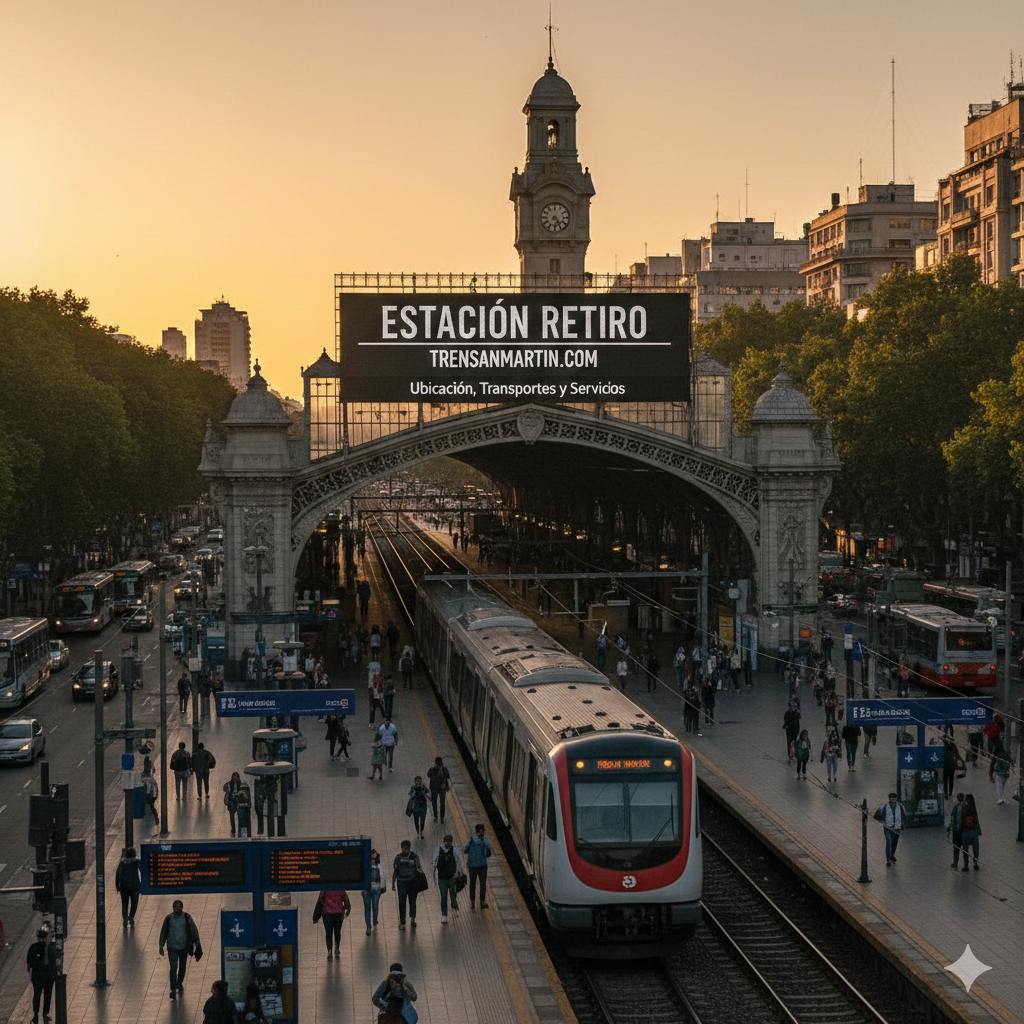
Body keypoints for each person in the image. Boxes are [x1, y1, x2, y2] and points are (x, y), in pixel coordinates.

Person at [158, 899, 201, 1001]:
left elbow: (193, 930)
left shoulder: (187, 917)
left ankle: (179, 983)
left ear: (182, 907)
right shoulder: (168, 919)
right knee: (173, 967)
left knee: (182, 967)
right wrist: (161, 945)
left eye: (179, 907)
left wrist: (197, 942)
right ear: (173, 908)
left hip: (184, 947)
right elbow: (163, 932)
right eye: (176, 907)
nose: (178, 909)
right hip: (172, 947)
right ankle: (173, 988)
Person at [27, 927, 56, 1024]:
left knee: (37, 994)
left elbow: (29, 961)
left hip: (37, 975)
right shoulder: (50, 947)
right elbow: (53, 962)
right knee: (47, 994)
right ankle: (45, 1013)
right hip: (48, 975)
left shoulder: (33, 947)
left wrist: (32, 972)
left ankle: (36, 1014)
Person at [432, 833, 464, 923]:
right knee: (443, 896)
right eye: (446, 842)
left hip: (451, 877)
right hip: (442, 878)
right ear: (444, 841)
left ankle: (453, 903)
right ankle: (444, 914)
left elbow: (460, 861)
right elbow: (434, 862)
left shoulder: (455, 850)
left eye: (449, 842)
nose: (447, 843)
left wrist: (460, 872)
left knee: (452, 893)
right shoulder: (438, 850)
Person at [391, 840, 423, 930]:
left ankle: (413, 918)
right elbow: (395, 871)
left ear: (409, 848)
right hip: (401, 882)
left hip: (412, 882)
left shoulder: (414, 857)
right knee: (402, 902)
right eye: (404, 848)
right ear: (401, 848)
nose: (405, 850)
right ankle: (402, 921)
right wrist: (393, 883)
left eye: (407, 848)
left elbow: (419, 869)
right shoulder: (398, 857)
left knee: (412, 901)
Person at [463, 822, 493, 909]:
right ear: (478, 832)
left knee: (473, 883)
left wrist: (472, 853)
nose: (482, 833)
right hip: (481, 866)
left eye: (483, 831)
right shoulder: (485, 839)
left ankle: (473, 902)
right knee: (481, 883)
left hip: (474, 865)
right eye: (481, 831)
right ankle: (481, 902)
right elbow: (489, 851)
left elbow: (465, 850)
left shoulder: (471, 839)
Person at [316, 888, 351, 959]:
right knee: (337, 931)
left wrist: (316, 915)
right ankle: (337, 947)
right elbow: (346, 900)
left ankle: (329, 950)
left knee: (328, 933)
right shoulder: (341, 889)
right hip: (338, 913)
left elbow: (320, 902)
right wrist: (347, 909)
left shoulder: (325, 889)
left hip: (326, 914)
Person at [877, 792, 907, 867]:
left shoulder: (900, 806)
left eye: (894, 797)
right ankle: (888, 859)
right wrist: (881, 820)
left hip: (897, 828)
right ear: (889, 798)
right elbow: (877, 815)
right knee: (889, 842)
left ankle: (892, 855)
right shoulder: (884, 806)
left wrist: (903, 826)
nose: (893, 799)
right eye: (891, 797)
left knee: (894, 843)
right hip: (888, 828)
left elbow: (904, 816)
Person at [116, 846, 142, 927]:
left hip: (124, 886)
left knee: (124, 904)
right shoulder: (137, 862)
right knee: (134, 903)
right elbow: (143, 871)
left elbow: (117, 874)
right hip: (135, 886)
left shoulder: (122, 862)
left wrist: (117, 885)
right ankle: (131, 917)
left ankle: (124, 919)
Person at [362, 848, 385, 935]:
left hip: (375, 889)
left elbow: (382, 878)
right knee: (368, 908)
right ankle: (369, 926)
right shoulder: (365, 867)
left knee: (374, 906)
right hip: (367, 890)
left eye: (374, 859)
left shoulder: (378, 867)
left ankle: (374, 921)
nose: (372, 860)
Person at [960, 793, 982, 871]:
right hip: (973, 831)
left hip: (966, 830)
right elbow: (976, 819)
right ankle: (975, 863)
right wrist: (979, 830)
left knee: (965, 848)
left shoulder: (964, 808)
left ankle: (966, 865)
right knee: (975, 848)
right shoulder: (973, 808)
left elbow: (961, 819)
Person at [427, 756, 451, 823]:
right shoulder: (433, 769)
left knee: (440, 803)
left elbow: (447, 777)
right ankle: (438, 817)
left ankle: (438, 817)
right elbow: (429, 775)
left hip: (439, 788)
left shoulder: (443, 770)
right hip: (437, 788)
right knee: (438, 802)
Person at [408, 775, 429, 840]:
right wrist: (413, 794)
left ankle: (421, 831)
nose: (419, 783)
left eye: (420, 781)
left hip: (423, 807)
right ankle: (418, 832)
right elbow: (410, 794)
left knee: (422, 821)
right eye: (417, 781)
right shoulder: (413, 788)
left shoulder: (424, 788)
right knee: (416, 821)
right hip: (416, 808)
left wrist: (426, 795)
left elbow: (429, 793)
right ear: (415, 782)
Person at [948, 792, 965, 869]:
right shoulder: (965, 808)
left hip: (956, 831)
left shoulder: (955, 807)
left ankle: (955, 863)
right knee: (965, 849)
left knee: (956, 848)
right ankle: (966, 865)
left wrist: (949, 828)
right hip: (963, 831)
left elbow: (952, 818)